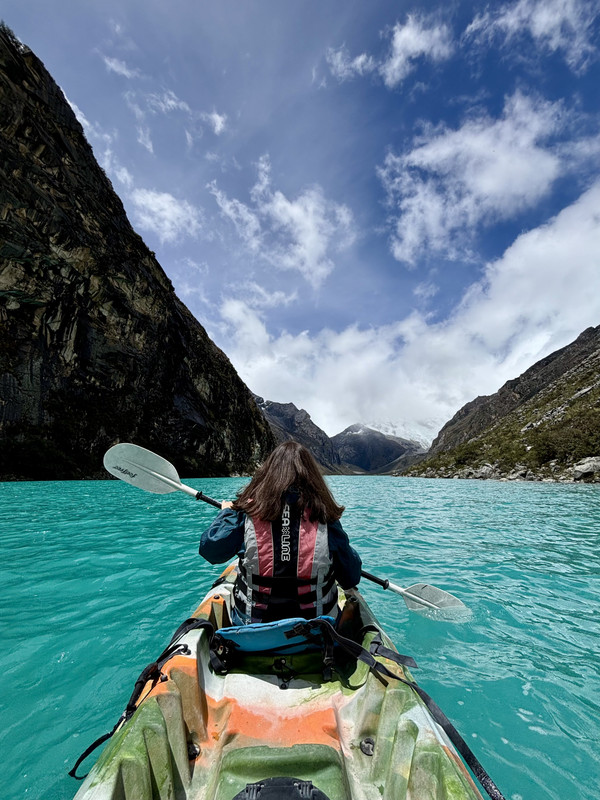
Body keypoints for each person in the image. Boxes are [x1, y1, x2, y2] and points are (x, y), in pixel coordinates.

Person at [199, 441, 362, 625]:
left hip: (252, 631)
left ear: (268, 474)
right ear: (312, 478)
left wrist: (226, 513)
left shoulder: (246, 513)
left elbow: (210, 550)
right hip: (317, 634)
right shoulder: (326, 519)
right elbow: (351, 577)